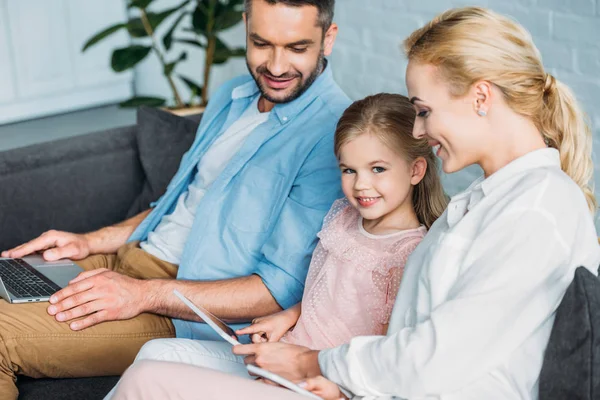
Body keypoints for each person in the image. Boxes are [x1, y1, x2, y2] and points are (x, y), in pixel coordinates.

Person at [112, 6, 600, 400]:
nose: (418, 131)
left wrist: (314, 363)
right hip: (369, 382)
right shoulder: (488, 198)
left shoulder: (537, 210)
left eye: (425, 111)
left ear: (480, 97)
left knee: (147, 383)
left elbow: (435, 360)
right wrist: (316, 352)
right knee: (159, 357)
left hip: (388, 386)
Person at [0, 0, 350, 398]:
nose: (276, 65)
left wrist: (143, 294)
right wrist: (91, 241)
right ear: (245, 27)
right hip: (131, 260)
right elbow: (179, 201)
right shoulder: (232, 96)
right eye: (261, 43)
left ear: (328, 39)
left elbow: (277, 290)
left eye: (296, 47)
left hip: (186, 310)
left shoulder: (333, 137)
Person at [105, 93, 447, 398]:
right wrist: (287, 317)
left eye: (377, 169)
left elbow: (391, 353)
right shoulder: (343, 216)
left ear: (416, 170)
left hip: (324, 384)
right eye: (349, 169)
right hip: (283, 356)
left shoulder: (409, 253)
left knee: (148, 377)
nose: (361, 185)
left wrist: (331, 382)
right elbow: (331, 292)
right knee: (157, 352)